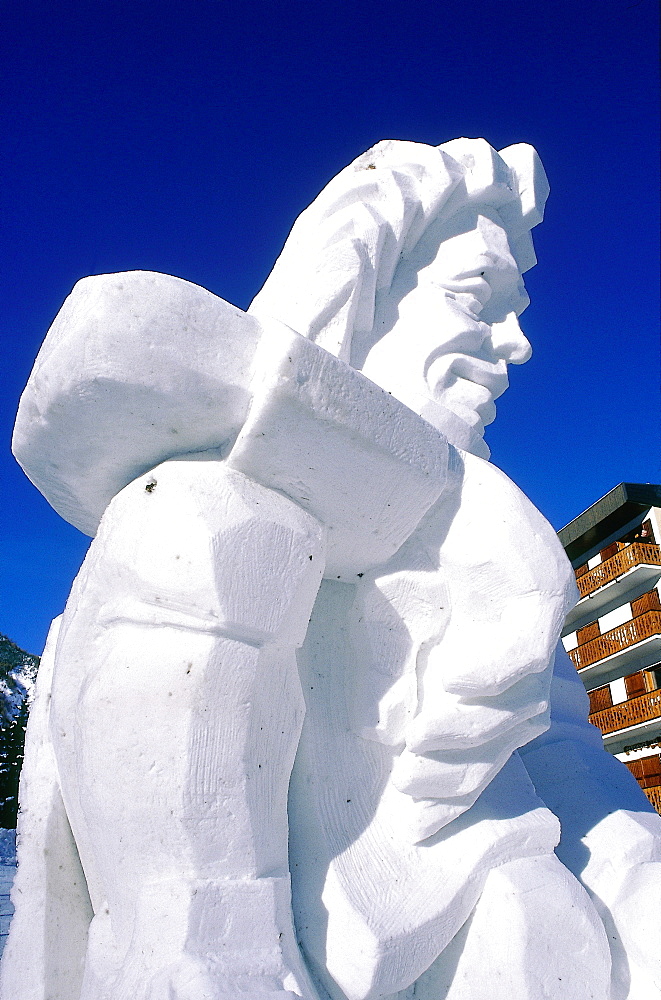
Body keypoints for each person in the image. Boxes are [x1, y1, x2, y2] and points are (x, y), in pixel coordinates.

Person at [4, 139, 660, 1000]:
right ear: (365, 290)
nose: (516, 343)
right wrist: (423, 489)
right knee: (209, 522)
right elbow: (105, 352)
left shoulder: (492, 566)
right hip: (255, 939)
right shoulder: (234, 500)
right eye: (478, 298)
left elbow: (575, 770)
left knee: (540, 921)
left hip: (458, 907)